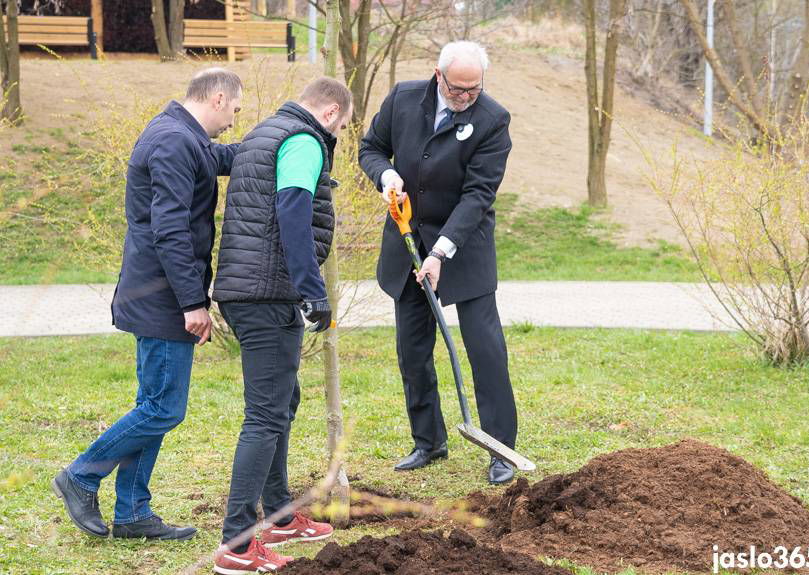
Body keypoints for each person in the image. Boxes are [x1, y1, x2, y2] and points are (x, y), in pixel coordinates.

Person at [51, 68, 243, 540]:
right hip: (162, 296)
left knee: (153, 402)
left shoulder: (183, 137)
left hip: (160, 293)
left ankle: (133, 511)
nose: (235, 121)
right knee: (163, 408)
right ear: (218, 98)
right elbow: (170, 231)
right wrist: (193, 303)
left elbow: (220, 156)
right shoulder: (174, 141)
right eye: (236, 111)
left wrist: (277, 140)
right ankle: (80, 475)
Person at [210, 77, 353, 574]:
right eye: (342, 128)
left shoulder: (261, 133)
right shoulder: (302, 140)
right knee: (266, 415)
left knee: (282, 401)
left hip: (246, 289)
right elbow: (293, 209)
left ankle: (279, 516)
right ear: (331, 113)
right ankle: (237, 543)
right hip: (268, 292)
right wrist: (313, 292)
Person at [359, 41, 518, 485]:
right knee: (412, 351)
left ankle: (500, 447)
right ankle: (428, 441)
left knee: (485, 351)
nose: (465, 96)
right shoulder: (403, 99)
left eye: (473, 89)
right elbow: (370, 148)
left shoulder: (493, 120)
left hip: (462, 247)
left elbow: (478, 194)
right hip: (407, 238)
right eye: (457, 87)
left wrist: (441, 252)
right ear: (438, 74)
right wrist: (386, 176)